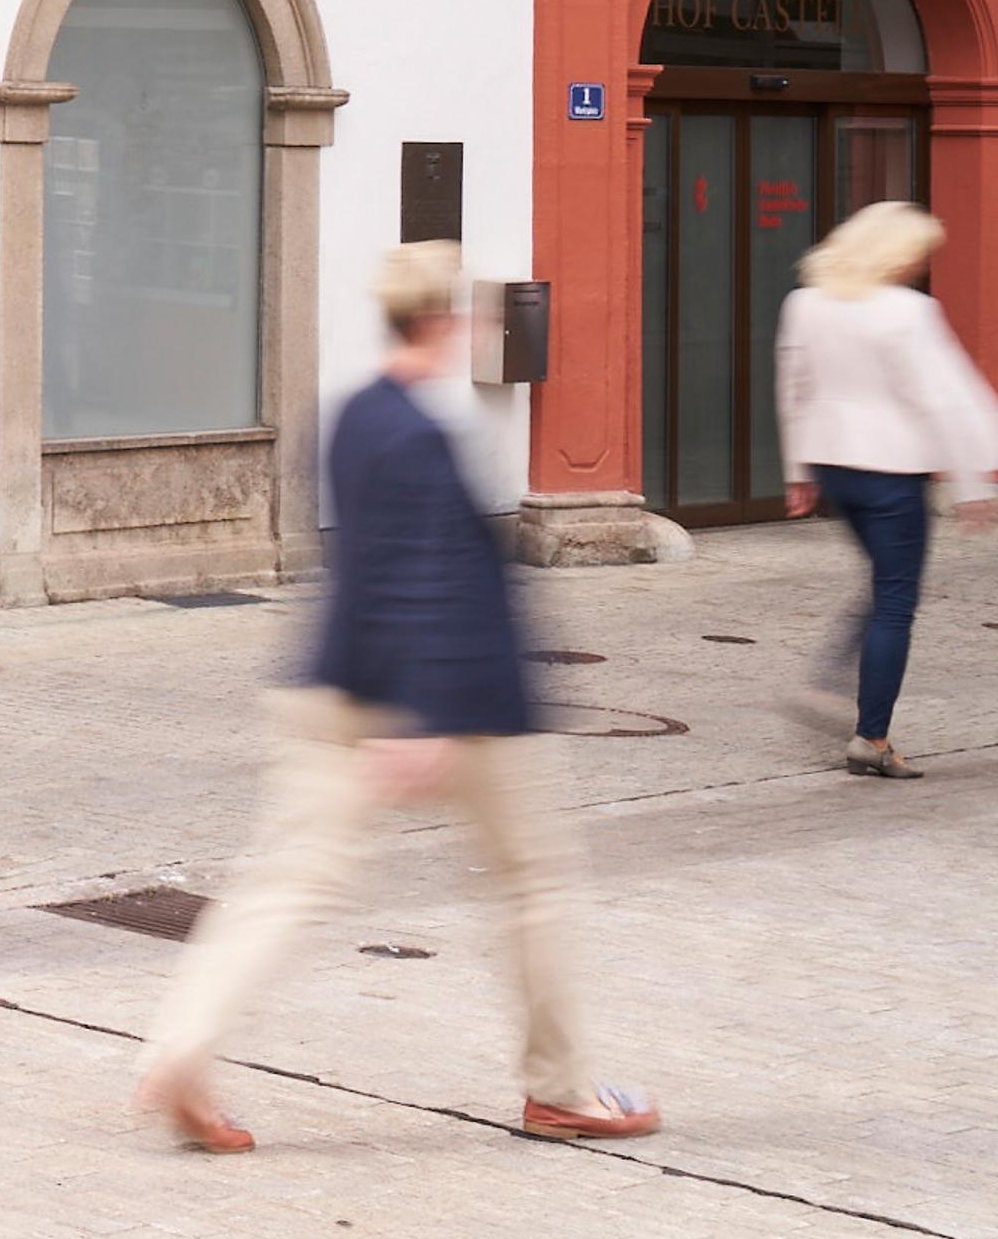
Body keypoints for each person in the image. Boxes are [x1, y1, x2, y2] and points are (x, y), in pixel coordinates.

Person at [134, 242, 657, 1155]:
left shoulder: (355, 416)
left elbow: (369, 561)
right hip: (460, 702)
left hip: (339, 685)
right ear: (446, 323)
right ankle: (563, 1089)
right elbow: (426, 574)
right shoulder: (420, 432)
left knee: (284, 884)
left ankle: (182, 1048)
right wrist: (425, 721)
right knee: (532, 884)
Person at [775, 200, 998, 779]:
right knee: (897, 601)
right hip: (891, 471)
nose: (922, 265)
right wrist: (974, 479)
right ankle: (870, 736)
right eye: (920, 253)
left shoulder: (806, 302)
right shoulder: (909, 311)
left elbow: (792, 386)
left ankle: (828, 680)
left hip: (834, 467)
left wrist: (799, 472)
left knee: (882, 585)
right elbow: (944, 395)